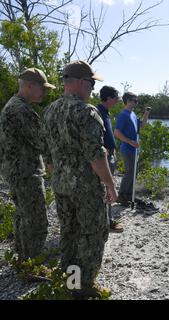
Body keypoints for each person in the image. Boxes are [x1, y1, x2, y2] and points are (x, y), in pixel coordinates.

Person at [42, 60, 118, 299]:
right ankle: (83, 287)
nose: (92, 89)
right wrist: (109, 184)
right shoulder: (86, 112)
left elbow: (47, 154)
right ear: (79, 83)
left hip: (61, 186)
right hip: (85, 189)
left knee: (69, 233)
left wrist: (60, 177)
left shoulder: (49, 111)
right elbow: (96, 156)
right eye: (91, 84)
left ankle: (70, 281)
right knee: (93, 234)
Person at [0, 68, 55, 261]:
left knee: (24, 215)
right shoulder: (21, 109)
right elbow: (42, 141)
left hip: (17, 171)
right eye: (42, 88)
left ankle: (23, 258)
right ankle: (32, 263)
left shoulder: (13, 105)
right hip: (26, 172)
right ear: (30, 86)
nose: (45, 92)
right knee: (36, 220)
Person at [113, 92, 152, 207]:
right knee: (129, 172)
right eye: (134, 100)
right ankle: (121, 195)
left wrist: (146, 113)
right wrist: (130, 142)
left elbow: (142, 125)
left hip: (134, 149)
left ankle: (129, 194)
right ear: (128, 101)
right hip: (127, 149)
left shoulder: (132, 114)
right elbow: (117, 132)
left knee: (134, 172)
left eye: (136, 101)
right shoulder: (123, 115)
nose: (136, 102)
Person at [97, 86, 124, 232]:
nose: (118, 101)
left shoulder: (105, 112)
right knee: (107, 188)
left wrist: (113, 151)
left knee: (107, 188)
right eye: (116, 98)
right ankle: (107, 222)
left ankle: (107, 220)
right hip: (103, 157)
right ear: (109, 98)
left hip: (109, 155)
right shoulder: (98, 111)